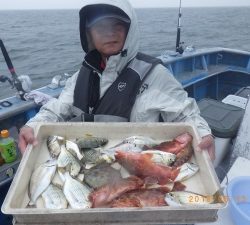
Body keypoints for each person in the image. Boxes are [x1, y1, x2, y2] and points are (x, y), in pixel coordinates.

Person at [18, 0, 215, 160]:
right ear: (89, 35)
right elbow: (58, 109)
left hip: (137, 167)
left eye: (118, 25)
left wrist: (203, 134)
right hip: (86, 161)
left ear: (130, 30)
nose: (110, 32)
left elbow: (186, 115)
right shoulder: (81, 76)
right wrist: (33, 126)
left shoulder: (156, 75)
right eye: (100, 27)